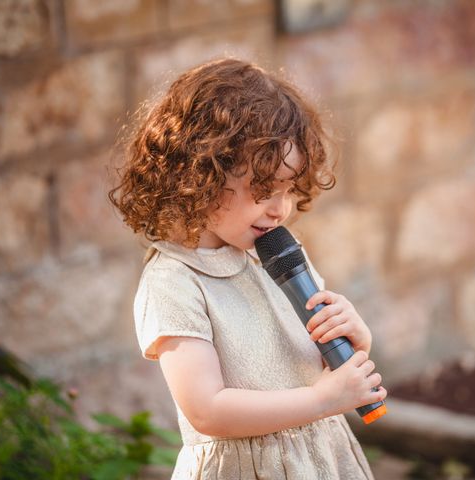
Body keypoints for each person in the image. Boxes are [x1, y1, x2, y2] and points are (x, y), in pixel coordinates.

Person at [108, 58, 387, 479]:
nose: (281, 209)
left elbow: (316, 370)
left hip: (319, 460)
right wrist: (321, 401)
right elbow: (208, 410)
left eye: (289, 189)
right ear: (199, 175)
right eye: (263, 191)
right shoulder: (174, 283)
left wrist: (354, 341)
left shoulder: (276, 251)